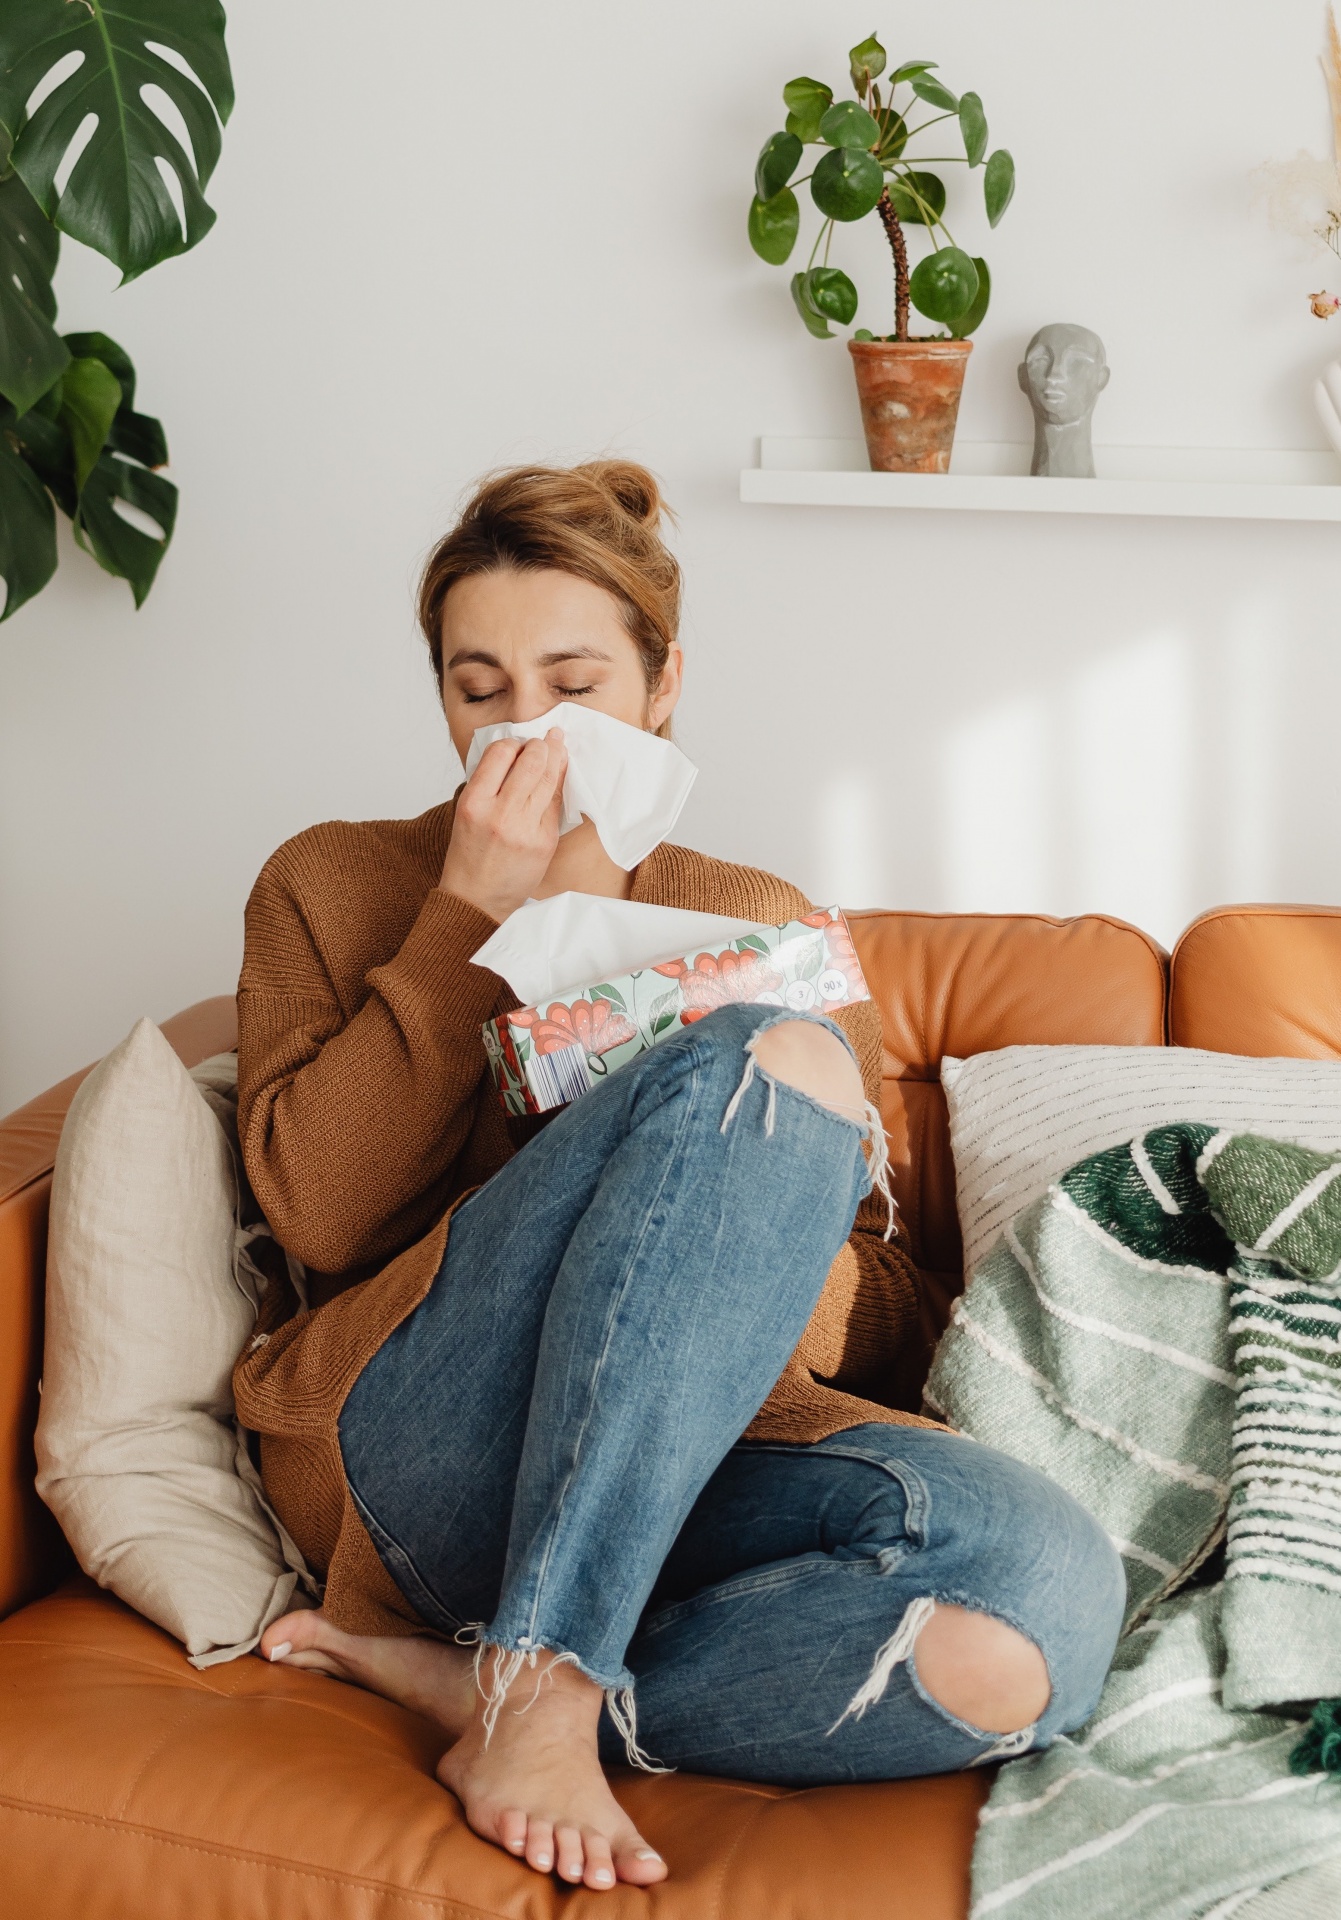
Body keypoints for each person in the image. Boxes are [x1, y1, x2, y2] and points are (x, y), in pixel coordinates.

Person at [234, 461, 1124, 1894]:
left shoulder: (756, 919)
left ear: (661, 692)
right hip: (413, 1445)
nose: (525, 726)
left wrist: (711, 1200)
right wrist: (474, 913)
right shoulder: (332, 883)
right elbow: (321, 1214)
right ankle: (542, 1681)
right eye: (480, 687)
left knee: (1035, 1605)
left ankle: (517, 1693)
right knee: (747, 1059)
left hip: (690, 1468)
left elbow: (883, 1315)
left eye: (573, 683)